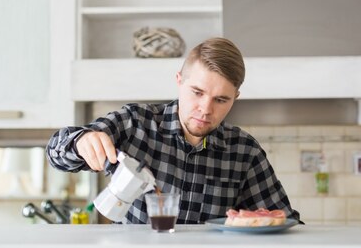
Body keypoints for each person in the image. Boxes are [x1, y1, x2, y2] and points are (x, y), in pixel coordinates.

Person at [46, 37, 301, 224]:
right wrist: (81, 141)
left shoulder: (245, 153)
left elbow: (285, 221)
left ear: (236, 97)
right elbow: (56, 153)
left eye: (221, 100)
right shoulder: (135, 123)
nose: (205, 109)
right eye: (197, 93)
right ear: (179, 81)